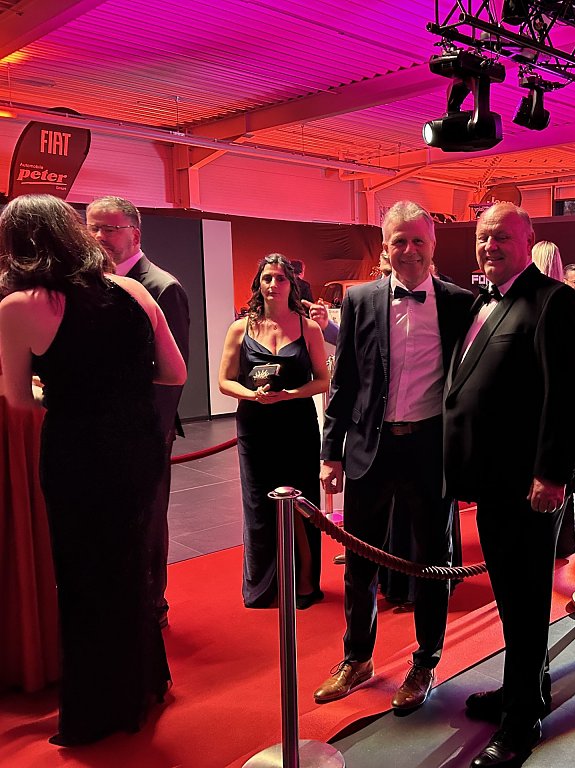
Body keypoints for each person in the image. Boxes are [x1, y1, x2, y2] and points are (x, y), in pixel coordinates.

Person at [0, 194, 186, 746]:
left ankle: (98, 708)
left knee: (83, 578)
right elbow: (173, 373)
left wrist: (61, 389)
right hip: (137, 445)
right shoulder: (132, 290)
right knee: (131, 565)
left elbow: (17, 400)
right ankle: (146, 681)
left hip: (78, 452)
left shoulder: (19, 306)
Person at [444, 202, 575, 767]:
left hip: (529, 487)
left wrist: (551, 474)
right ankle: (523, 688)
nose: (490, 245)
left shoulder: (554, 302)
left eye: (502, 236)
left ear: (528, 240)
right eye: (483, 237)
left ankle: (521, 722)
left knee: (526, 602)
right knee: (511, 598)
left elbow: (567, 396)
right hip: (491, 481)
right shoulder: (481, 301)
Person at [313, 201, 474, 711]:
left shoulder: (459, 303)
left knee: (433, 562)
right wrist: (332, 452)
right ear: (385, 247)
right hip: (370, 449)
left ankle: (425, 661)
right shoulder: (360, 300)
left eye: (417, 240)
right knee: (360, 561)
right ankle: (357, 657)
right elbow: (345, 380)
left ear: (433, 244)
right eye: (398, 241)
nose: (408, 250)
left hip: (430, 450)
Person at [85, 196, 190, 629]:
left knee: (146, 519)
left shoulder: (162, 287)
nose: (99, 236)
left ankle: (152, 605)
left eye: (109, 228)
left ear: (135, 233)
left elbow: (172, 375)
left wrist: (151, 434)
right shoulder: (88, 283)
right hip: (97, 427)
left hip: (143, 430)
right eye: (93, 227)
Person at [218, 255, 330, 609]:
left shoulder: (309, 328)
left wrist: (291, 394)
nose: (273, 284)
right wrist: (253, 395)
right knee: (259, 504)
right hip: (255, 427)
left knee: (301, 503)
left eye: (280, 278)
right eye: (267, 277)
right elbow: (224, 381)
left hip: (298, 425)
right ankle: (263, 587)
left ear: (291, 285)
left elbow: (323, 380)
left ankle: (305, 584)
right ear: (258, 283)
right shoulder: (241, 328)